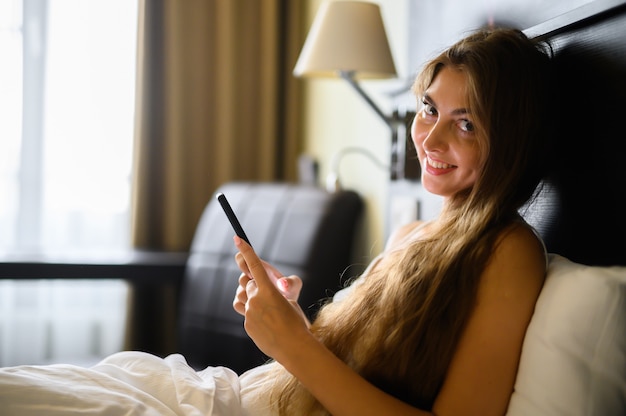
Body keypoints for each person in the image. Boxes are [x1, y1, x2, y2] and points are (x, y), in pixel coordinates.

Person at [0, 27, 554, 416]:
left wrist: (294, 346)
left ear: (510, 140)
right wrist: (292, 321)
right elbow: (352, 368)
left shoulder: (509, 253)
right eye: (430, 109)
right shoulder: (413, 233)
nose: (430, 139)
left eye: (467, 124)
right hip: (234, 393)